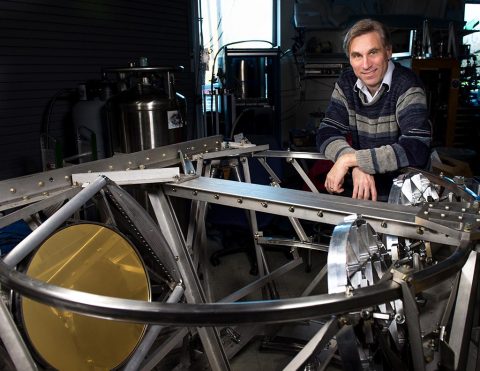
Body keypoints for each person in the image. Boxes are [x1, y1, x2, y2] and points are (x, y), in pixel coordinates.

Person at [316, 19, 431, 201]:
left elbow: (415, 148)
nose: (366, 64)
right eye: (357, 56)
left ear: (388, 51)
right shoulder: (346, 82)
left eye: (373, 52)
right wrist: (356, 165)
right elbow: (327, 132)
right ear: (350, 59)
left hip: (407, 195)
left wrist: (349, 161)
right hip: (363, 191)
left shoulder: (408, 86)